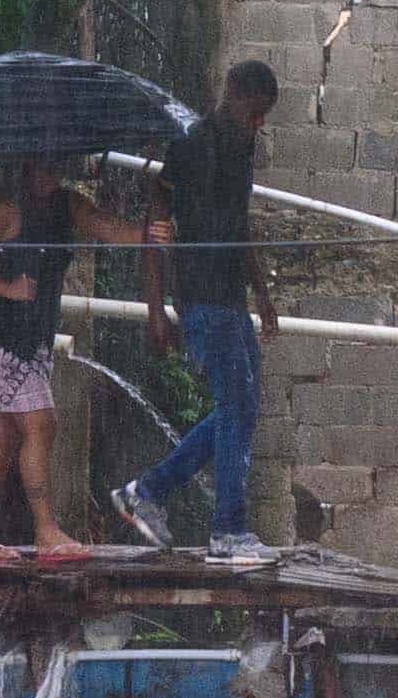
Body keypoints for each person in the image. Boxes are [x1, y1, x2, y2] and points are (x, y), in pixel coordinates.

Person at [112, 59, 281, 562]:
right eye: (253, 113)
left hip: (231, 297)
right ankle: (227, 531)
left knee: (242, 409)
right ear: (232, 94)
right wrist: (156, 309)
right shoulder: (190, 146)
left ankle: (148, 491)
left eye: (263, 117)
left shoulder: (243, 146)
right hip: (201, 298)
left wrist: (263, 295)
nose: (258, 124)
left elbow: (239, 225)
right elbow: (155, 225)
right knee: (236, 406)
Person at [0, 158, 94, 560]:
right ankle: (46, 529)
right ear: (25, 165)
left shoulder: (68, 206)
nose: (49, 172)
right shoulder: (3, 210)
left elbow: (111, 228)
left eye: (56, 160)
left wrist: (152, 233)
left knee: (4, 434)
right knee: (42, 423)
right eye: (41, 162)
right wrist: (6, 288)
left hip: (30, 340)